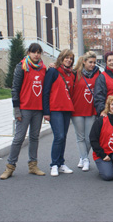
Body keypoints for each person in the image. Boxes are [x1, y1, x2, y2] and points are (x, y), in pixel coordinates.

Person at [0, 43, 46, 180]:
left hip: (38, 109)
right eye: (34, 52)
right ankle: (10, 166)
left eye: (38, 52)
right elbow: (15, 89)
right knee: (19, 138)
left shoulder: (43, 68)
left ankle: (33, 165)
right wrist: (16, 110)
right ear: (28, 53)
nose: (36, 55)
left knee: (34, 137)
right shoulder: (22, 66)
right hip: (24, 108)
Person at [43, 49, 75, 177]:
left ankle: (61, 163)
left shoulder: (71, 74)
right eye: (66, 58)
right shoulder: (53, 71)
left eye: (71, 58)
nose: (69, 60)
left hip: (67, 109)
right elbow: (45, 92)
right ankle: (54, 164)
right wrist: (46, 112)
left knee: (64, 137)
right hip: (55, 109)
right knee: (59, 136)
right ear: (61, 58)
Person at [71, 51, 100, 171]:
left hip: (91, 109)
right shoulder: (75, 73)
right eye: (90, 62)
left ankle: (83, 157)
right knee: (80, 137)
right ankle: (85, 159)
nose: (92, 64)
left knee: (89, 137)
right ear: (84, 61)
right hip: (77, 109)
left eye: (94, 62)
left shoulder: (98, 73)